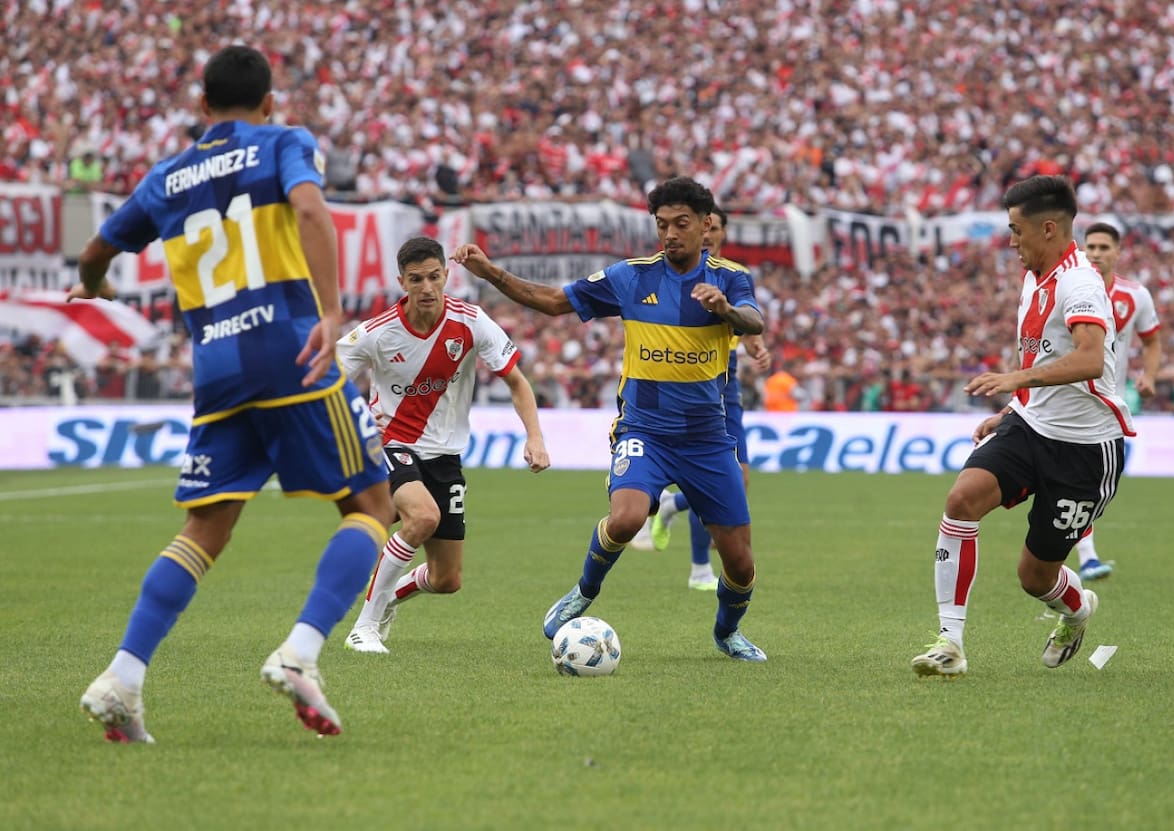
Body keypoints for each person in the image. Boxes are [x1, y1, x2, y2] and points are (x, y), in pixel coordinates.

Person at [75, 45, 395, 742]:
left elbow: (96, 253)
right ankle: (300, 652)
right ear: (270, 102)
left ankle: (122, 677)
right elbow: (310, 210)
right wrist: (332, 311)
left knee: (205, 528)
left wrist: (94, 287)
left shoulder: (168, 175)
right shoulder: (283, 141)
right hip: (292, 353)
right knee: (373, 504)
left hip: (217, 370)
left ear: (201, 106)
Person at [453, 176, 768, 661]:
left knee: (742, 565)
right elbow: (554, 302)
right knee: (625, 518)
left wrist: (725, 310)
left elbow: (755, 321)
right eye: (661, 225)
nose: (669, 235)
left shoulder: (729, 278)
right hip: (646, 430)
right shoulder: (630, 277)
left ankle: (727, 633)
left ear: (706, 226)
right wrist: (491, 273)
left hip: (707, 440)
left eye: (680, 224)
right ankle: (582, 593)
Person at [911, 175, 1134, 678]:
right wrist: (1013, 406)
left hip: (1086, 448)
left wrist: (1016, 377)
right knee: (961, 500)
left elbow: (1090, 359)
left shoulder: (1079, 282)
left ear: (1048, 229)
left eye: (1016, 231)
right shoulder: (1036, 273)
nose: (1011, 242)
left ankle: (1077, 610)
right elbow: (1046, 354)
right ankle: (950, 642)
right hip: (1031, 425)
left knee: (1035, 576)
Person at [339, 236, 551, 654]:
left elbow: (516, 381)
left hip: (446, 455)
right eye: (416, 279)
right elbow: (327, 379)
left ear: (446, 275)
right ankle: (362, 627)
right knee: (422, 517)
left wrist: (535, 436)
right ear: (401, 282)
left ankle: (390, 596)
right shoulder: (376, 334)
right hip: (391, 442)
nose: (427, 288)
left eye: (434, 277)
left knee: (446, 579)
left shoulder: (471, 322)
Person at [629, 207, 771, 593]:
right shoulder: (680, 275)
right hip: (688, 387)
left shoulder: (732, 277)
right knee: (717, 475)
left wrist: (758, 347)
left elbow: (747, 320)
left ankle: (674, 506)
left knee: (736, 480)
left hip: (725, 387)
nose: (706, 238)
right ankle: (698, 569)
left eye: (715, 229)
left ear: (719, 232)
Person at [1072, 222, 1162, 580]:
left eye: (1103, 247)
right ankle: (1087, 556)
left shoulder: (1135, 296)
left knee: (1093, 485)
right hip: (1068, 400)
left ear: (1117, 252)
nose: (1096, 253)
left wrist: (1150, 376)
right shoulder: (1071, 287)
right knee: (1077, 480)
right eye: (1090, 247)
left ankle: (1075, 550)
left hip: (1110, 403)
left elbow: (1152, 341)